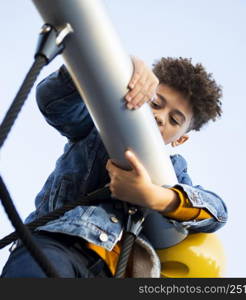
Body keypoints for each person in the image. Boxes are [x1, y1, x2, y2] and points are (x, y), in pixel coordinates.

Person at [1, 56, 228, 278]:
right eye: (156, 103)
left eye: (174, 120)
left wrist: (153, 196)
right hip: (57, 244)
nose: (159, 117)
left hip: (112, 271)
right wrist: (117, 64)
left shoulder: (172, 171)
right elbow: (53, 101)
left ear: (180, 139)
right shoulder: (98, 130)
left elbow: (217, 211)